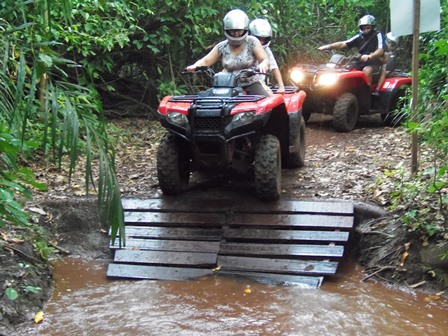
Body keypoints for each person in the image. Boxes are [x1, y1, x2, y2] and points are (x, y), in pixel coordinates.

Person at [186, 9, 270, 96]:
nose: (236, 33)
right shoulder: (222, 46)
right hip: (226, 85)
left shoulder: (252, 42)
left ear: (245, 29)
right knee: (210, 101)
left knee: (266, 101)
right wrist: (195, 66)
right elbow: (205, 61)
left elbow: (264, 59)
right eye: (233, 31)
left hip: (250, 83)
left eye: (239, 30)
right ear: (227, 30)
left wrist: (263, 64)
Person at [318, 14, 384, 86]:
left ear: (373, 27)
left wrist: (370, 56)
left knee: (367, 70)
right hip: (360, 60)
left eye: (368, 28)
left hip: (374, 62)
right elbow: (344, 44)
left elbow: (380, 50)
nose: (365, 30)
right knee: (344, 67)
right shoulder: (359, 36)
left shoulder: (378, 35)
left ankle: (366, 92)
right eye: (363, 28)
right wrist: (329, 46)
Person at [249, 18, 285, 94]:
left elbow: (274, 67)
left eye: (264, 39)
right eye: (258, 39)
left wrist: (281, 86)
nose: (261, 42)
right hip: (242, 82)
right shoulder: (245, 47)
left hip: (259, 84)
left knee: (269, 96)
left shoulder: (266, 50)